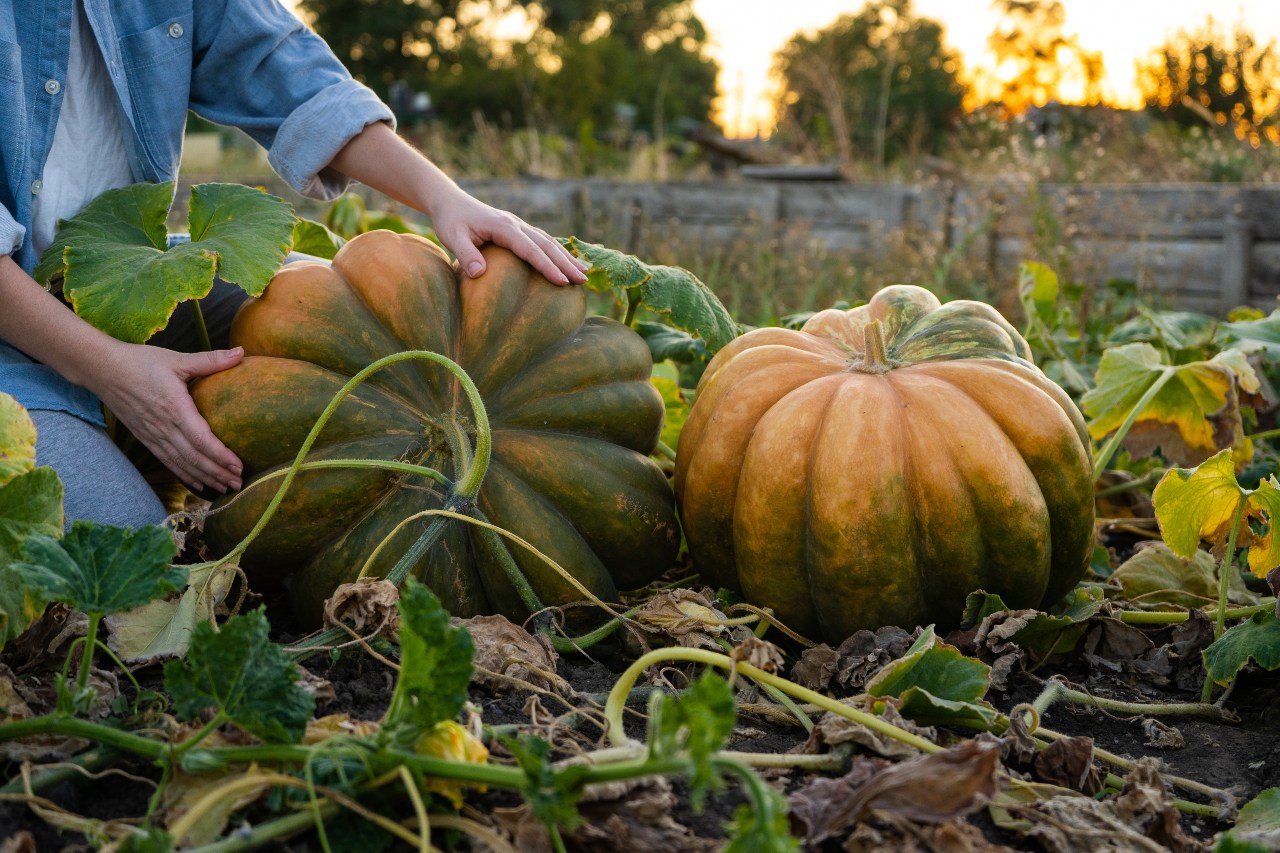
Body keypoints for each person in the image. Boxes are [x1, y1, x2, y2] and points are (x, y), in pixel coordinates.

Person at [0, 0, 588, 529]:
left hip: (98, 286)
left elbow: (283, 71)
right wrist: (110, 371)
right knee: (125, 557)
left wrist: (446, 199)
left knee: (353, 338)